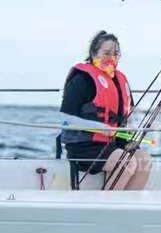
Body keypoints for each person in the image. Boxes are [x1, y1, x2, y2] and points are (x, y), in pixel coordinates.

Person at [57, 31, 150, 190]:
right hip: (85, 146)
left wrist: (131, 129)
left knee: (144, 160)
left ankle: (127, 203)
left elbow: (128, 115)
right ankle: (107, 203)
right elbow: (65, 118)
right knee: (124, 162)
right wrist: (99, 127)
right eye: (106, 53)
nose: (112, 57)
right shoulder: (82, 80)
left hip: (114, 143)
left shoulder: (120, 80)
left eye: (116, 53)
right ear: (94, 54)